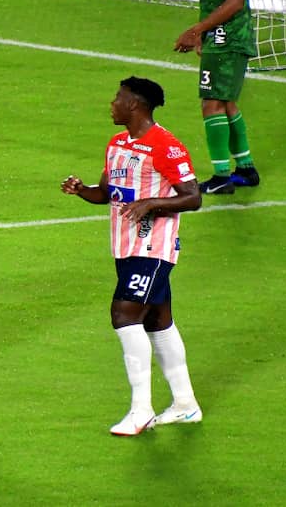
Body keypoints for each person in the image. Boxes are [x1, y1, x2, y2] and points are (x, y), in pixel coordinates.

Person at [61, 76, 203, 436]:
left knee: (123, 312)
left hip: (153, 247)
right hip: (125, 248)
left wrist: (152, 203)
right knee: (158, 321)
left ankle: (141, 409)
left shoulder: (165, 146)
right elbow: (107, 194)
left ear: (135, 105)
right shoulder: (117, 144)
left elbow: (193, 197)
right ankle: (186, 405)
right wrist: (82, 192)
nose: (112, 103)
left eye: (118, 98)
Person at [174, 0, 260, 195]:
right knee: (225, 102)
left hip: (232, 38)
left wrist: (196, 30)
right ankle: (246, 169)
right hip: (216, 36)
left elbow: (235, 2)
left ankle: (222, 175)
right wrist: (205, 35)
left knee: (211, 103)